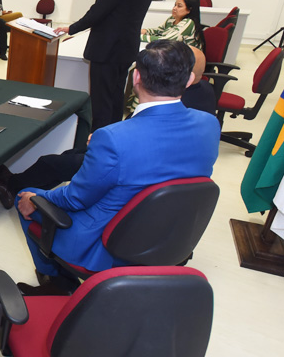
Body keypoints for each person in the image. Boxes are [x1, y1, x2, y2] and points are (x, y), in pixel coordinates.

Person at [14, 41, 219, 293]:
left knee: (25, 197)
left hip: (106, 245)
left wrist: (39, 197)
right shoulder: (209, 124)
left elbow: (75, 198)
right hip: (170, 236)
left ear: (136, 77)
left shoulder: (114, 138)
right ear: (190, 79)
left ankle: (56, 283)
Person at [53, 0, 159, 130]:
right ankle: (114, 133)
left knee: (101, 101)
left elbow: (100, 10)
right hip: (127, 46)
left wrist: (71, 28)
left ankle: (99, 140)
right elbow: (121, 5)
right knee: (116, 95)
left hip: (107, 48)